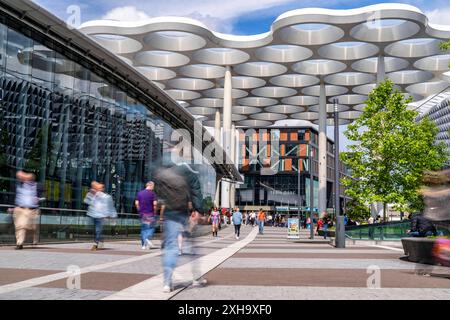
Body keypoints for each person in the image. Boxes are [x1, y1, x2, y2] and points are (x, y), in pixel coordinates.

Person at [154, 143, 207, 293]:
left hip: (170, 212)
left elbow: (158, 190)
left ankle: (167, 282)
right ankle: (197, 277)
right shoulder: (185, 169)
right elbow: (196, 188)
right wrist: (198, 209)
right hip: (184, 211)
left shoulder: (162, 170)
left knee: (170, 246)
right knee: (192, 246)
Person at [11, 171, 41, 250]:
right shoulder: (18, 185)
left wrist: (38, 199)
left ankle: (33, 240)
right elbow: (14, 196)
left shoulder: (37, 186)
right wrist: (12, 207)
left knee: (32, 227)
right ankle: (19, 243)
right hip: (20, 209)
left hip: (32, 210)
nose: (21, 178)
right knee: (20, 226)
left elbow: (43, 196)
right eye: (20, 177)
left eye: (23, 177)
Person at [84, 181, 117, 251]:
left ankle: (95, 244)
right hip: (92, 215)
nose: (98, 189)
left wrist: (112, 215)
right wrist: (91, 195)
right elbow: (86, 201)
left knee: (98, 230)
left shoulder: (106, 197)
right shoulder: (91, 194)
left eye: (100, 188)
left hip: (100, 216)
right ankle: (100, 241)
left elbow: (110, 206)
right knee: (93, 230)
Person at [135, 181, 158, 250]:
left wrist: (139, 210)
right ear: (151, 186)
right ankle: (147, 238)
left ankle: (143, 246)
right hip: (150, 213)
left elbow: (136, 203)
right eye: (153, 186)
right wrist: (155, 212)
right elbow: (155, 204)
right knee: (151, 228)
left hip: (142, 214)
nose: (153, 188)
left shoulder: (139, 193)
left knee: (143, 229)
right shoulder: (153, 194)